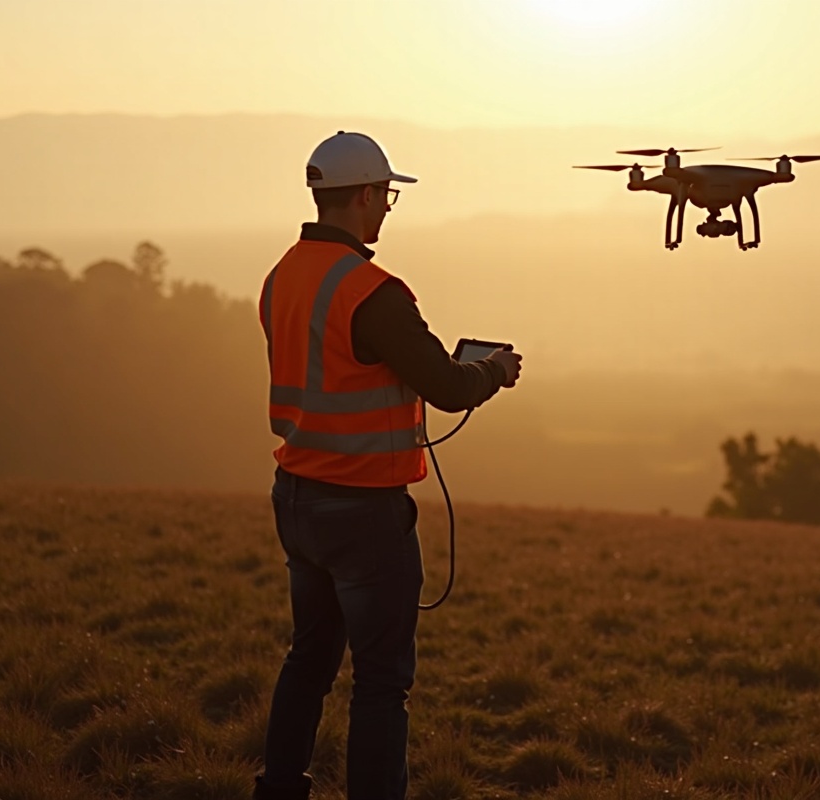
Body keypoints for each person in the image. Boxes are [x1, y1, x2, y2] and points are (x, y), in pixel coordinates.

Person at [253, 131, 522, 800]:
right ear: (368, 195)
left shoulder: (282, 275)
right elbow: (450, 387)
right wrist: (494, 370)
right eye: (387, 197)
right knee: (381, 683)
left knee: (308, 660)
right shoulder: (372, 292)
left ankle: (278, 790)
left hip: (296, 494)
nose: (387, 210)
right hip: (365, 511)